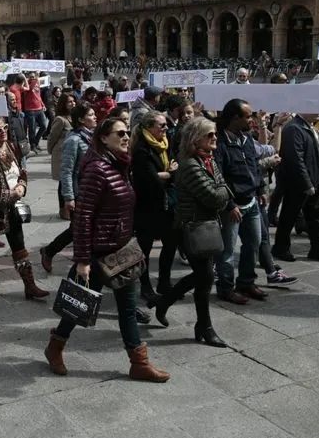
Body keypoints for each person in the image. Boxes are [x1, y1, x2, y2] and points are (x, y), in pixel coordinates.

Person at [43, 117, 170, 382]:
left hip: (121, 251)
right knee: (77, 307)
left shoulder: (120, 165)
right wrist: (82, 260)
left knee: (127, 308)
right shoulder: (97, 169)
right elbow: (83, 216)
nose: (126, 137)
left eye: (127, 133)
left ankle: (139, 363)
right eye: (120, 133)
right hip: (98, 254)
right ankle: (55, 348)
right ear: (103, 138)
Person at [154, 117, 229, 347]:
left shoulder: (208, 160)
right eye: (209, 135)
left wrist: (222, 191)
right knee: (205, 277)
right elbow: (216, 196)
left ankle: (170, 305)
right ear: (196, 139)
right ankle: (204, 326)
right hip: (189, 228)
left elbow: (220, 190)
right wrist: (224, 190)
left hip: (205, 225)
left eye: (214, 133)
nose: (214, 138)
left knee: (204, 278)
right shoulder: (188, 165)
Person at [0, 115, 47, 300]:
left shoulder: (13, 147)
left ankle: (29, 286)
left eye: (5, 128)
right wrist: (7, 194)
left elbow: (22, 171)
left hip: (12, 207)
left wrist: (22, 186)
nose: (4, 132)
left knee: (19, 244)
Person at [213, 99, 267, 304]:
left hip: (251, 202)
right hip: (232, 207)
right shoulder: (220, 143)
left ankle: (246, 282)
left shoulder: (246, 139)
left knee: (253, 244)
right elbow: (218, 177)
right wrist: (229, 205)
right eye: (248, 116)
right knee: (227, 251)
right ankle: (226, 288)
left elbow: (254, 166)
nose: (252, 120)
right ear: (235, 118)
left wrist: (261, 188)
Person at [272, 113, 319, 263]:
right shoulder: (294, 128)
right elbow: (295, 159)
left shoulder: (309, 126)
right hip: (299, 184)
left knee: (317, 218)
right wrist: (306, 183)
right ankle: (280, 248)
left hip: (316, 181)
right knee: (289, 217)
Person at [130, 111, 178, 309]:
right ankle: (145, 285)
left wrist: (166, 174)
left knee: (171, 242)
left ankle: (164, 280)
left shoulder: (166, 144)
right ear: (148, 127)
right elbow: (150, 179)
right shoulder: (141, 149)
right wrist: (169, 173)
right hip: (146, 205)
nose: (166, 128)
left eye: (166, 125)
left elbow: (175, 169)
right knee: (145, 249)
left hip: (167, 204)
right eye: (161, 125)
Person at [40, 103, 95, 272]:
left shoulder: (92, 136)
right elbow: (66, 171)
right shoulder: (73, 140)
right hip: (79, 192)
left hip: (91, 190)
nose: (95, 117)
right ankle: (50, 251)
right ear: (80, 119)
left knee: (81, 229)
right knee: (77, 230)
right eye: (91, 115)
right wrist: (69, 197)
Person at [46, 93, 76, 216]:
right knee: (63, 182)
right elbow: (52, 137)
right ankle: (63, 209)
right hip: (61, 154)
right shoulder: (60, 119)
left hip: (71, 154)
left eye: (73, 101)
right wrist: (51, 150)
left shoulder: (74, 117)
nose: (73, 103)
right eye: (69, 102)